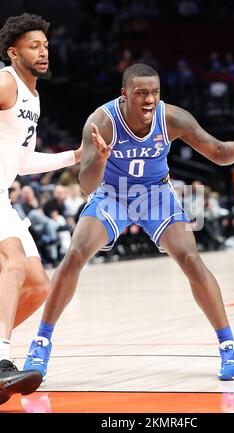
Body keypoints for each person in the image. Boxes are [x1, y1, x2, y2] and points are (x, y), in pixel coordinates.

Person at [24, 63, 234, 383]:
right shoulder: (101, 122)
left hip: (155, 193)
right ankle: (41, 342)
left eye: (155, 93)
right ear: (125, 95)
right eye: (142, 93)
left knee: (190, 258)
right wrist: (101, 160)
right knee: (75, 254)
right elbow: (88, 184)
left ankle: (229, 344)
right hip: (113, 194)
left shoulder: (172, 118)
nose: (150, 100)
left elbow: (218, 152)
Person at [0, 13, 82, 404]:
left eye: (45, 45)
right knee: (13, 263)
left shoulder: (32, 95)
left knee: (38, 285)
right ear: (13, 53)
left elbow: (24, 162)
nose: (43, 51)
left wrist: (76, 156)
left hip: (3, 193)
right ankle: (2, 360)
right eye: (34, 46)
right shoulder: (5, 81)